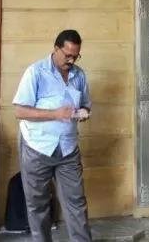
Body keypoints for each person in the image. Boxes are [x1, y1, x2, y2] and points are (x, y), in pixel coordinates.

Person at [13, 30, 92, 242]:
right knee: (37, 204)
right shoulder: (36, 72)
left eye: (75, 56)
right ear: (56, 49)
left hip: (68, 148)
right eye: (67, 55)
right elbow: (20, 111)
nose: (71, 60)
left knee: (76, 202)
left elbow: (85, 104)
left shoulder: (79, 75)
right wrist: (55, 114)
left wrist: (84, 112)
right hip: (37, 148)